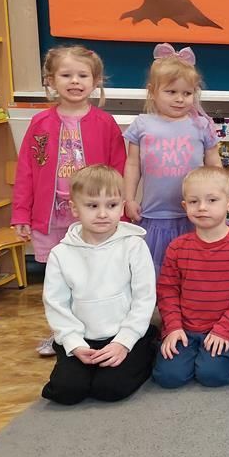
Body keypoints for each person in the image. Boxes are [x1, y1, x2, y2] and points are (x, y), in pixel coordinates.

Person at [12, 45, 125, 357]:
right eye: (66, 75)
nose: (75, 81)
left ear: (95, 81)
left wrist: (120, 213)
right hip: (51, 218)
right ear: (51, 80)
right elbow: (26, 171)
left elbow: (117, 172)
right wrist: (21, 213)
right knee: (59, 280)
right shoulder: (40, 123)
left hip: (92, 217)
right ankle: (62, 334)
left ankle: (97, 332)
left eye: (82, 75)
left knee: (94, 276)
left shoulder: (105, 123)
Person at [40, 165, 156, 405]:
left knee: (109, 389)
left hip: (123, 334)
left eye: (111, 205)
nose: (103, 214)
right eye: (92, 206)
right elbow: (56, 305)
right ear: (75, 208)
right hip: (82, 338)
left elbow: (144, 300)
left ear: (122, 207)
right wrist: (74, 344)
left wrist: (124, 342)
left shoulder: (134, 246)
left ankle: (147, 349)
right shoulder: (61, 254)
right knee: (66, 391)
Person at [152, 167, 229, 389]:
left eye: (212, 200)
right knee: (169, 377)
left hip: (223, 328)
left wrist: (224, 330)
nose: (202, 207)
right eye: (194, 201)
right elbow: (167, 291)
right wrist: (173, 327)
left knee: (212, 376)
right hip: (184, 327)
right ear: (185, 206)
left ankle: (223, 352)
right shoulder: (177, 247)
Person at [123, 44, 221, 273]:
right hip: (153, 216)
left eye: (187, 93)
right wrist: (129, 199)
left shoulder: (201, 125)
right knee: (155, 272)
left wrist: (219, 199)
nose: (180, 99)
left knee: (191, 271)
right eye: (171, 92)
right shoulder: (142, 124)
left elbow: (215, 166)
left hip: (194, 216)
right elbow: (133, 165)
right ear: (152, 91)